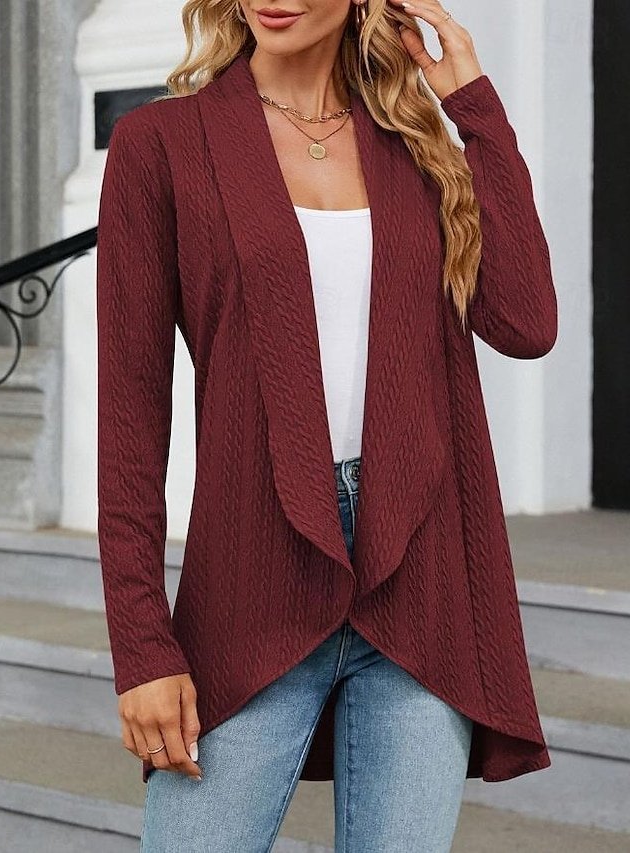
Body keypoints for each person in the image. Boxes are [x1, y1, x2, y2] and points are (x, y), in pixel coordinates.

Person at [95, 1, 558, 851]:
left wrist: (474, 105)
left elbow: (526, 322)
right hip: (252, 578)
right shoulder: (162, 144)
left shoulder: (415, 145)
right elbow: (130, 420)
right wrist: (142, 645)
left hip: (420, 573)